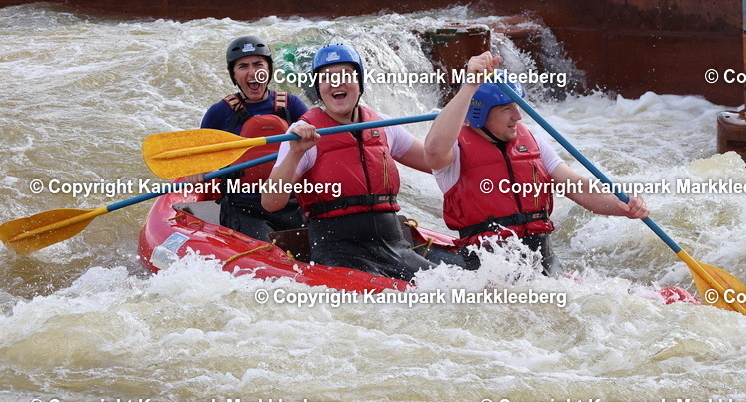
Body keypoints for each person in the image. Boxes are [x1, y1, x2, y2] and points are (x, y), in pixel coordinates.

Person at [423, 51, 649, 275]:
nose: (518, 116)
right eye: (506, 109)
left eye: (517, 106)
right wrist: (471, 85)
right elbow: (433, 149)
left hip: (543, 260)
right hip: (487, 267)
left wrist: (625, 204)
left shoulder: (532, 142)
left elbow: (579, 188)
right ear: (479, 113)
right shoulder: (453, 151)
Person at [262, 43, 437, 282]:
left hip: (394, 247)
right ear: (318, 88)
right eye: (327, 78)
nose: (336, 83)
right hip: (339, 251)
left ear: (360, 82)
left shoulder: (382, 125)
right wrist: (295, 153)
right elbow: (271, 202)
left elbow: (437, 162)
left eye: (345, 75)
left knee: (449, 288)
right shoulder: (300, 133)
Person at [193, 35, 309, 240]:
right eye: (243, 66)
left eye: (258, 64)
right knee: (267, 253)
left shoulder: (293, 106)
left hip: (291, 202)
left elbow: (317, 153)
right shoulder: (219, 113)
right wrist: (195, 170)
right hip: (243, 206)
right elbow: (199, 157)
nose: (252, 72)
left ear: (269, 70)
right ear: (234, 75)